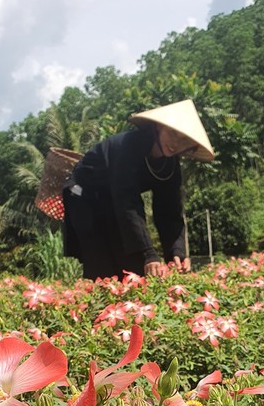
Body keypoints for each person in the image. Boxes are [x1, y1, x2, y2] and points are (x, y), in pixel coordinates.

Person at [62, 99, 214, 280]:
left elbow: (170, 211)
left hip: (112, 200)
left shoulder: (170, 166)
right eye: (172, 133)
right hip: (83, 196)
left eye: (183, 141)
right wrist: (148, 252)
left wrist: (177, 251)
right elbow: (127, 201)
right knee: (103, 267)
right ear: (159, 127)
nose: (175, 144)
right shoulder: (127, 146)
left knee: (134, 268)